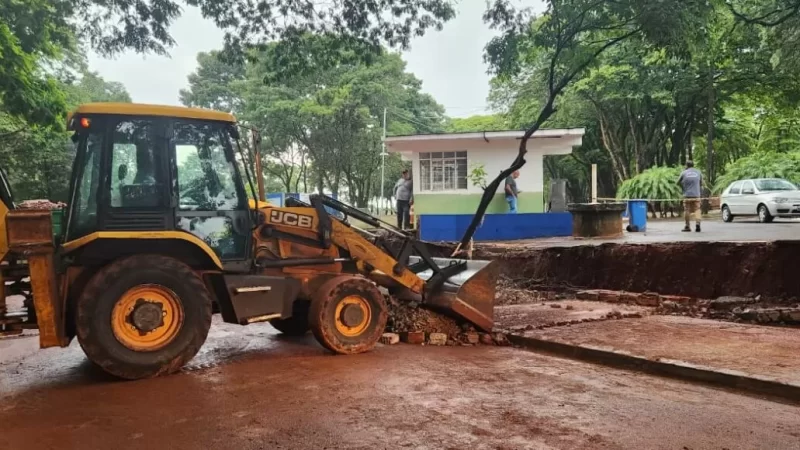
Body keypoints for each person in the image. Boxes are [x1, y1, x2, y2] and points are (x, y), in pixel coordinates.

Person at [678, 160, 703, 232]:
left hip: (687, 194)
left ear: (686, 165)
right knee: (697, 209)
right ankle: (698, 224)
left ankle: (687, 226)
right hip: (696, 194)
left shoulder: (684, 172)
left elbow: (677, 182)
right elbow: (701, 183)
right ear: (693, 165)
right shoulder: (698, 172)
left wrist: (683, 186)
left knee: (687, 210)